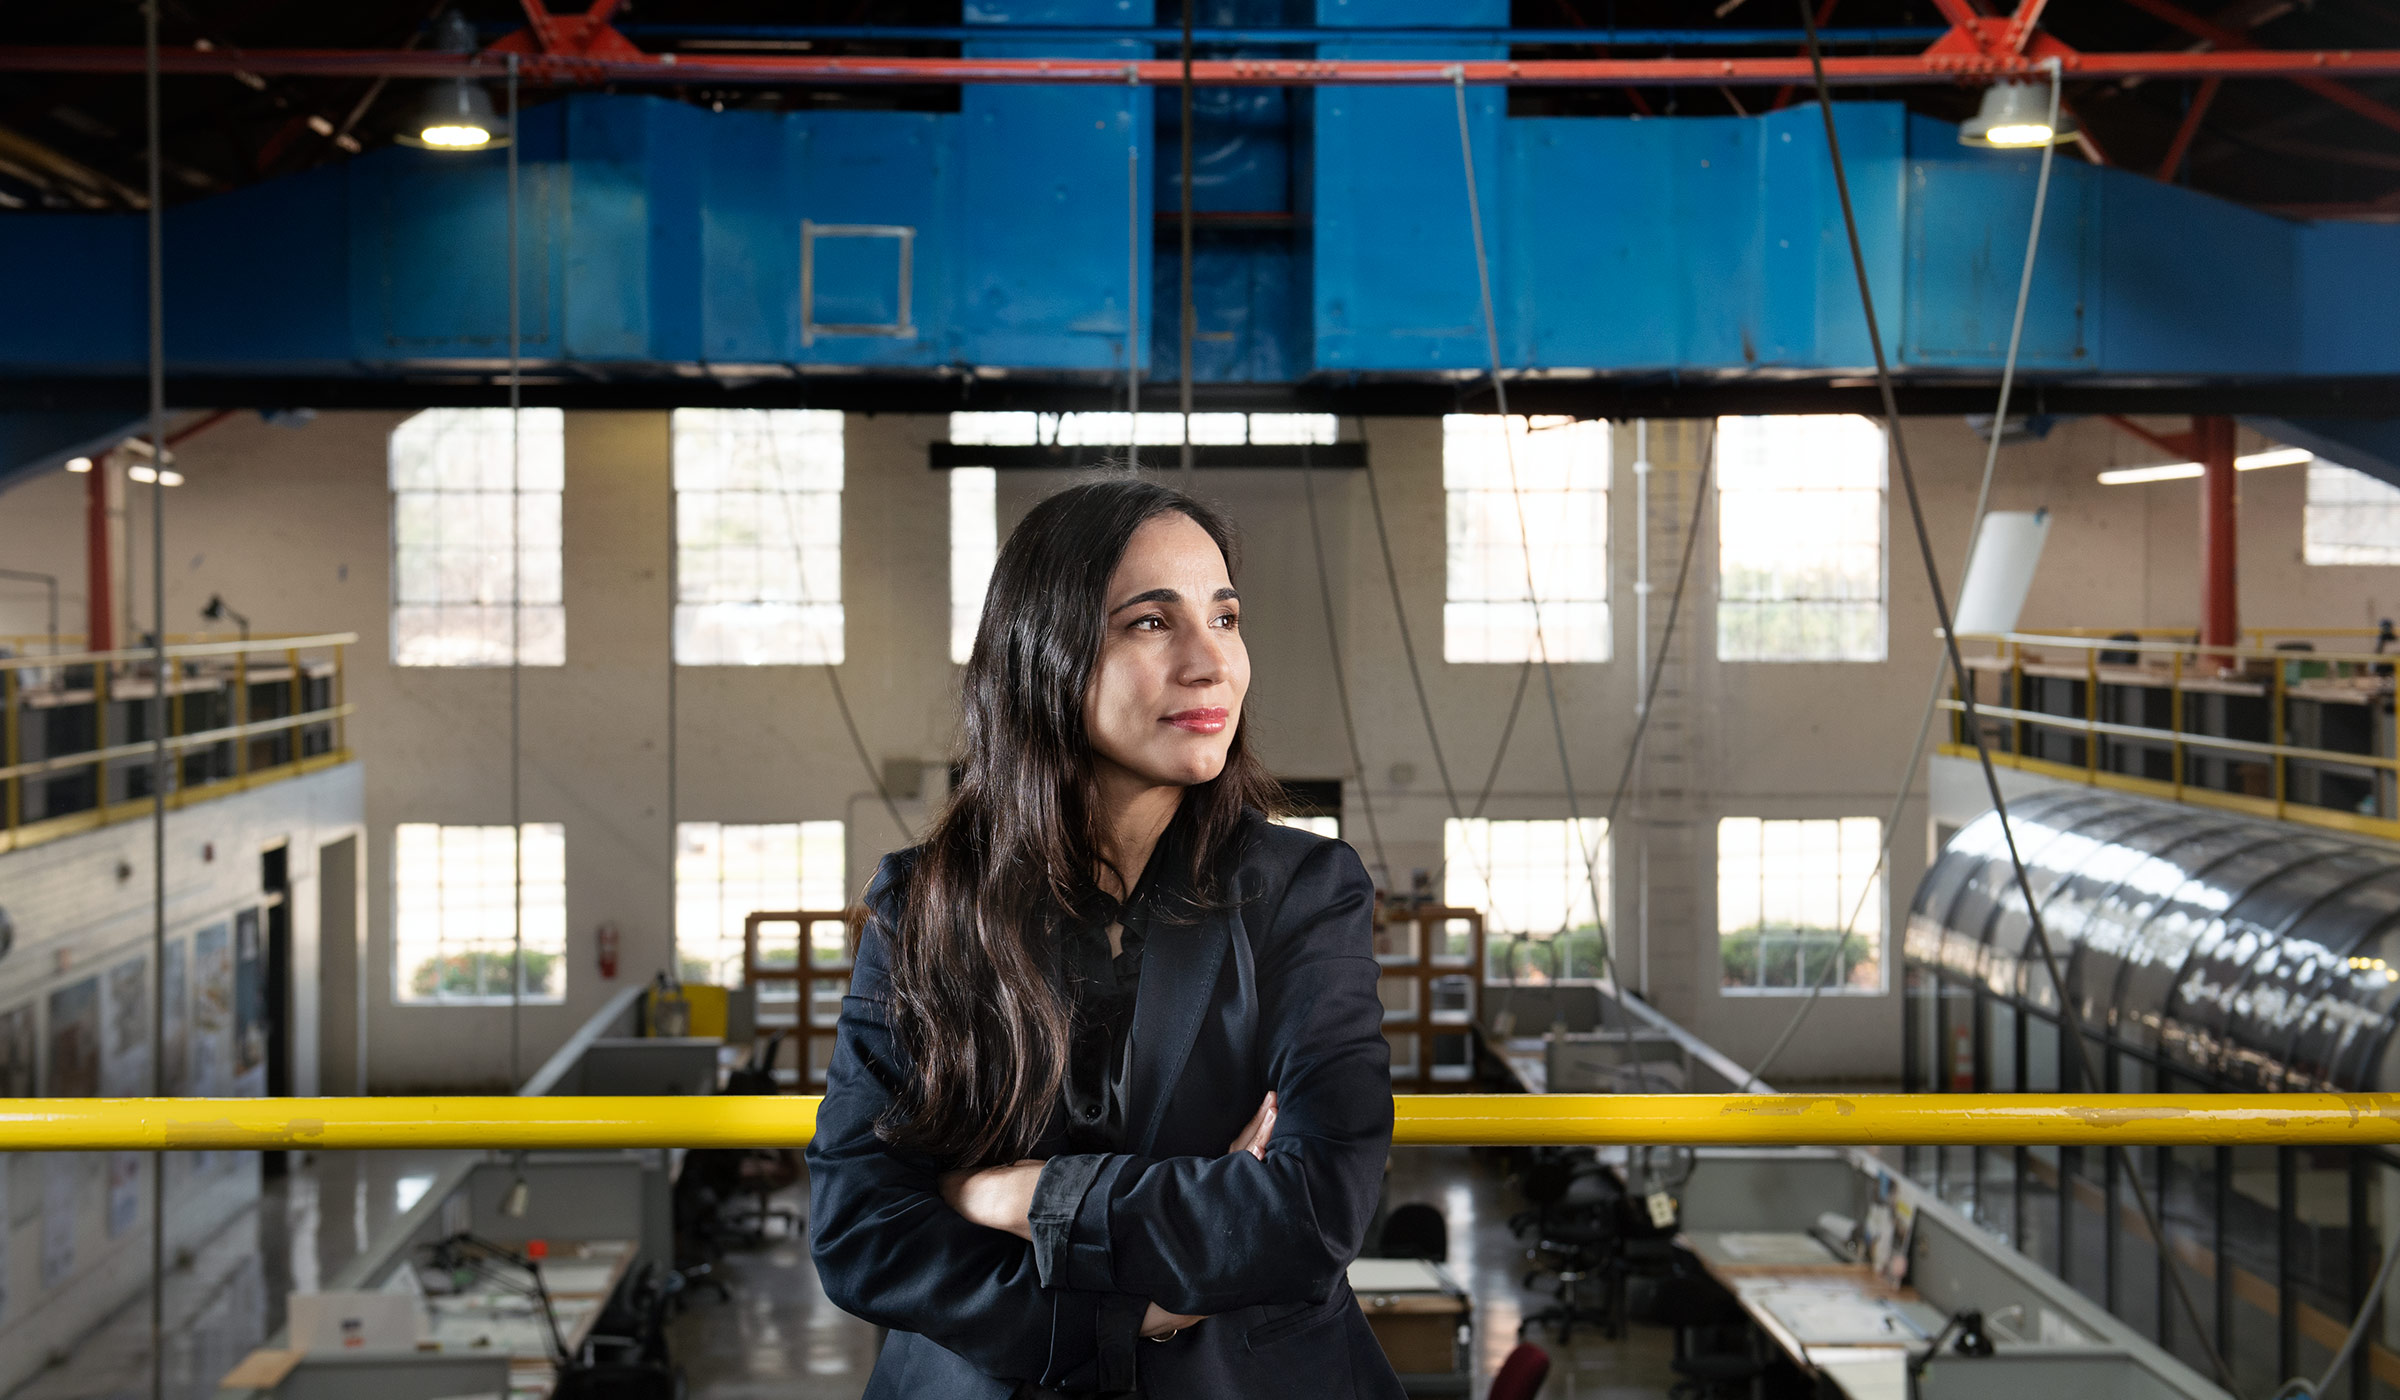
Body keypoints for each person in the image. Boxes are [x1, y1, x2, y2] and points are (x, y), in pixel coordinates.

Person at [808, 476, 1402, 1399]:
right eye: (1151, 623)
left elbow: (1315, 1211)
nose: (1212, 664)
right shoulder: (923, 903)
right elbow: (861, 1233)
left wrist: (1024, 1195)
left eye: (1227, 618)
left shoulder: (1303, 893)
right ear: (1042, 654)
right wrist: (1130, 1316)